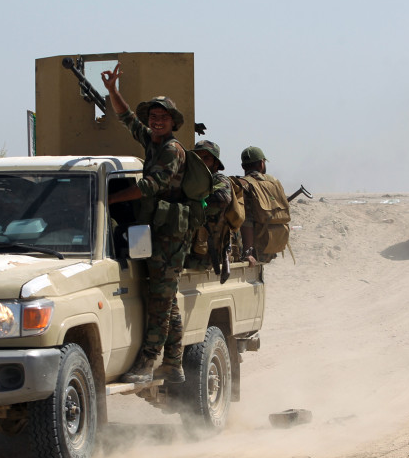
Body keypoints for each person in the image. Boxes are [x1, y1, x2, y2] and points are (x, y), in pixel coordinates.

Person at [101, 64, 192, 384]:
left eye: (162, 117)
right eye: (153, 117)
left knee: (160, 299)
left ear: (172, 122)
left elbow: (150, 186)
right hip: (154, 229)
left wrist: (109, 199)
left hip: (170, 233)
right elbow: (128, 119)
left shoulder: (171, 149)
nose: (155, 121)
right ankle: (175, 362)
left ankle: (149, 361)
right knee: (165, 298)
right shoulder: (152, 142)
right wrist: (113, 92)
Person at [185, 139, 234, 280]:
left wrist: (197, 200)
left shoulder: (218, 178)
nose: (201, 161)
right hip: (188, 243)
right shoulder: (189, 179)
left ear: (215, 163)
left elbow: (223, 198)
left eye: (206, 158)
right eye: (198, 157)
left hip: (206, 246)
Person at [238, 146, 290, 265]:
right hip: (270, 245)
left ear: (243, 166)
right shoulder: (274, 182)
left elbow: (247, 220)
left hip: (252, 248)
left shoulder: (242, 184)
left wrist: (248, 252)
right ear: (262, 164)